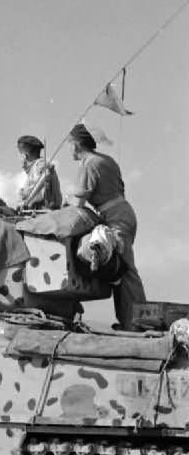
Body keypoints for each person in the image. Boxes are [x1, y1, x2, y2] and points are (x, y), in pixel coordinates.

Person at [63, 123, 146, 330]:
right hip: (123, 212)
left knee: (125, 270)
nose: (69, 149)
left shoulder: (89, 164)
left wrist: (64, 202)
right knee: (121, 269)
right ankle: (130, 321)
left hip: (115, 217)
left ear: (76, 145)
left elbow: (79, 202)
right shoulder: (107, 160)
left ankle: (136, 323)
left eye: (70, 144)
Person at [16, 135, 62, 210]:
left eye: (20, 153)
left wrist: (27, 200)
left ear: (25, 153)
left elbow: (46, 175)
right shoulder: (33, 169)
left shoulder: (40, 164)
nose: (19, 157)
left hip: (44, 211)